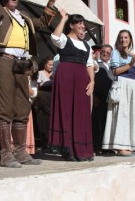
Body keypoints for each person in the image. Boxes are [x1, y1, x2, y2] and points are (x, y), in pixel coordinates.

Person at [0, 0, 59, 168]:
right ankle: (6, 154)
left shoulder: (24, 16)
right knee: (5, 108)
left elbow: (44, 21)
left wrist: (52, 1)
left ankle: (20, 153)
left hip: (22, 65)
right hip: (4, 60)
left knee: (22, 108)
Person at [49, 10, 95, 161]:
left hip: (82, 78)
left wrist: (92, 81)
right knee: (67, 111)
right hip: (66, 76)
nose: (83, 26)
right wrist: (63, 19)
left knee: (81, 112)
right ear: (71, 25)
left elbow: (89, 64)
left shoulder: (87, 45)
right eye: (79, 23)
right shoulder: (64, 39)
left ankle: (82, 149)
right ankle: (68, 149)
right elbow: (54, 37)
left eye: (83, 23)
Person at [102, 30, 135, 156]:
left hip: (132, 86)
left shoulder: (133, 55)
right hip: (121, 83)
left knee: (132, 114)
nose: (123, 40)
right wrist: (130, 64)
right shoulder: (116, 53)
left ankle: (129, 144)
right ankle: (119, 146)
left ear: (130, 39)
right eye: (121, 38)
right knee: (121, 115)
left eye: (126, 37)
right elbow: (115, 71)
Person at [91, 44, 114, 153]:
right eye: (103, 51)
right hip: (98, 97)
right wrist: (94, 96)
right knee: (97, 123)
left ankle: (107, 147)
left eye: (108, 52)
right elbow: (90, 80)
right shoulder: (95, 65)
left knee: (108, 123)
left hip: (111, 99)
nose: (105, 53)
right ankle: (97, 146)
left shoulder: (113, 66)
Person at [35, 56, 54, 150]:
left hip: (51, 97)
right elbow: (38, 86)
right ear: (45, 65)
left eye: (53, 65)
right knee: (43, 119)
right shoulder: (40, 73)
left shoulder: (54, 74)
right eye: (50, 65)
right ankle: (44, 142)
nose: (51, 67)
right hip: (42, 97)